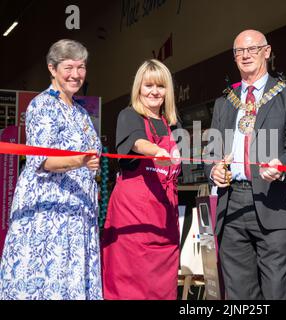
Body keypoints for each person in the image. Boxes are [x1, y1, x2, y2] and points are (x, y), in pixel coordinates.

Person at [204, 29, 286, 300]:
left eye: (252, 49)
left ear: (267, 51)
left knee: (274, 291)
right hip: (232, 206)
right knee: (239, 294)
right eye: (239, 51)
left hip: (274, 201)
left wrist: (282, 164)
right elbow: (211, 152)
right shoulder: (224, 102)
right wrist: (214, 169)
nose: (246, 55)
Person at [0, 39, 102, 300]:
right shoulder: (42, 105)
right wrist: (79, 161)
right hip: (50, 214)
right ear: (52, 69)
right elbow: (42, 160)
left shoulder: (80, 112)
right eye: (69, 67)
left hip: (78, 213)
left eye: (81, 67)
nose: (76, 74)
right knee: (48, 279)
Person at [101, 59, 181, 300]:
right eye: (148, 86)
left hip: (165, 217)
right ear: (138, 88)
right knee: (129, 283)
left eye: (160, 86)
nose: (155, 92)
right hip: (133, 216)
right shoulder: (129, 115)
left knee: (163, 287)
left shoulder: (174, 123)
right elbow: (136, 141)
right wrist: (156, 151)